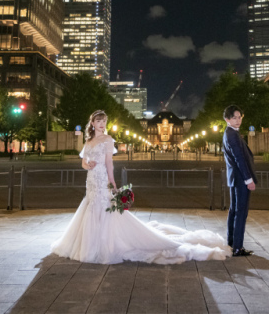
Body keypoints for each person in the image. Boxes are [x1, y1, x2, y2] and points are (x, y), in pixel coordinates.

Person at [51, 110, 229, 264]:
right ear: (92, 123)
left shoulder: (108, 139)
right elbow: (83, 161)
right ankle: (90, 243)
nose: (102, 124)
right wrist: (86, 165)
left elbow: (109, 163)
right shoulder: (88, 141)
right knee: (90, 207)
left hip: (101, 179)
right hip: (90, 179)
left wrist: (112, 182)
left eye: (104, 121)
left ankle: (105, 244)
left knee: (105, 209)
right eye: (99, 121)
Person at [222, 104, 257, 257]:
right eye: (234, 117)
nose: (238, 120)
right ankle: (237, 247)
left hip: (234, 178)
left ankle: (231, 243)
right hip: (240, 179)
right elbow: (239, 158)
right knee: (240, 212)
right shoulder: (232, 134)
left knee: (234, 211)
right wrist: (248, 179)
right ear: (227, 119)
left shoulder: (230, 133)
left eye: (239, 117)